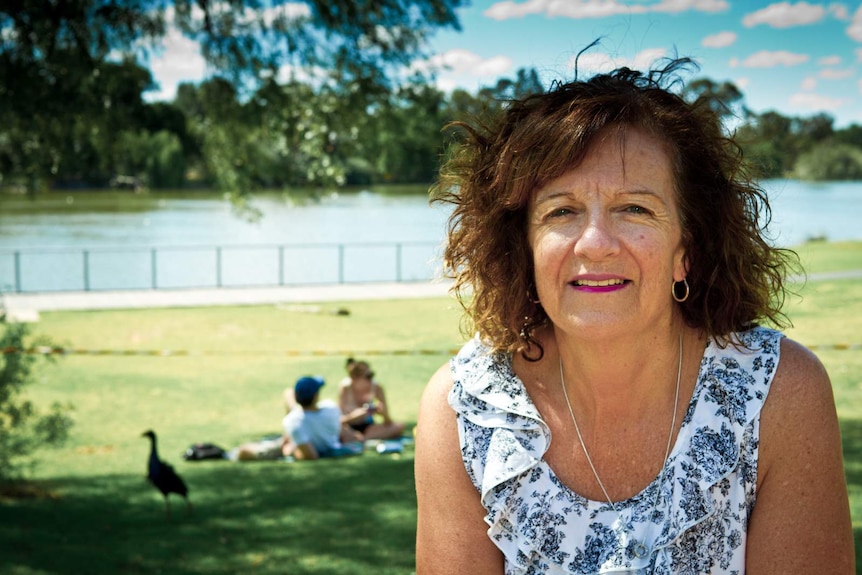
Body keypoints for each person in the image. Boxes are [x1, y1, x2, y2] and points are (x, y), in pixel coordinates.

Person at [414, 56, 855, 574]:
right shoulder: (465, 413)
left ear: (685, 251)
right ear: (523, 247)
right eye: (561, 211)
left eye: (635, 209)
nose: (595, 243)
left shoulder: (780, 393)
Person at [236, 375, 343, 461]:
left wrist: (288, 450)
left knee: (243, 451)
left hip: (294, 446)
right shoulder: (331, 408)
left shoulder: (295, 421)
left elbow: (309, 455)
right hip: (311, 441)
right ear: (315, 396)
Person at [339, 359, 406, 442]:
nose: (370, 379)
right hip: (348, 427)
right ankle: (360, 438)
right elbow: (338, 421)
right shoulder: (345, 387)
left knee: (399, 426)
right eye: (368, 376)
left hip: (369, 428)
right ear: (354, 377)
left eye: (371, 375)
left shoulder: (376, 387)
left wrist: (383, 413)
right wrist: (354, 416)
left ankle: (363, 439)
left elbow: (388, 422)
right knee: (338, 429)